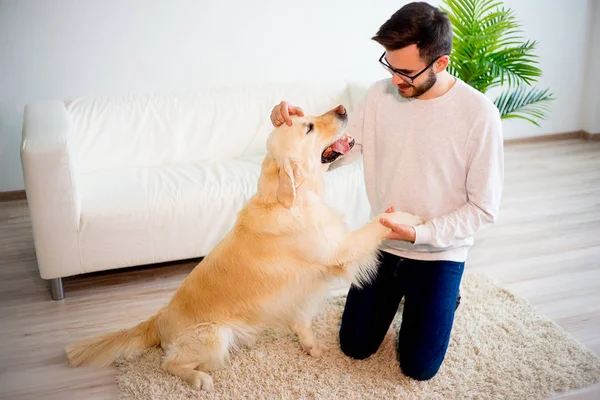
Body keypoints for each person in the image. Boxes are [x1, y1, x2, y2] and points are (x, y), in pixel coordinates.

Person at [269, 2, 504, 381]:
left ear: (441, 64)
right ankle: (408, 301)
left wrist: (418, 233)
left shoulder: (479, 115)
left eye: (406, 72)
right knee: (354, 346)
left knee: (418, 368)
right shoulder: (381, 95)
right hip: (381, 243)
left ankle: (446, 297)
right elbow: (344, 150)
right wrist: (299, 129)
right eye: (390, 66)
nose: (395, 80)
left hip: (438, 253)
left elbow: (483, 209)